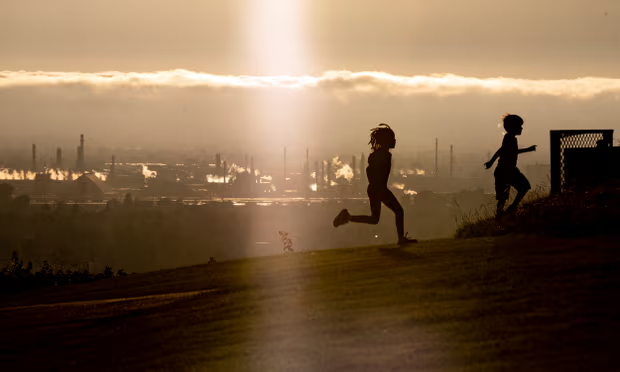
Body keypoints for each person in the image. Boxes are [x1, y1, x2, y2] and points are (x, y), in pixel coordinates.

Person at [333, 123, 417, 247]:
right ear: (387, 141)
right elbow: (376, 173)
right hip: (379, 189)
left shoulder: (375, 155)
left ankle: (348, 217)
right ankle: (401, 239)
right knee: (399, 211)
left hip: (373, 188)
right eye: (393, 139)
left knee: (374, 219)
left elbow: (369, 171)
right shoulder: (385, 156)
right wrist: (380, 188)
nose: (395, 141)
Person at [484, 114, 536, 218]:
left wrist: (491, 161)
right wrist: (528, 149)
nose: (521, 128)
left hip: (506, 171)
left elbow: (501, 150)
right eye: (519, 126)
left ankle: (504, 213)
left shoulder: (508, 138)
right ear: (513, 127)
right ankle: (510, 209)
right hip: (506, 171)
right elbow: (512, 151)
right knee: (522, 187)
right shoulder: (510, 139)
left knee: (504, 196)